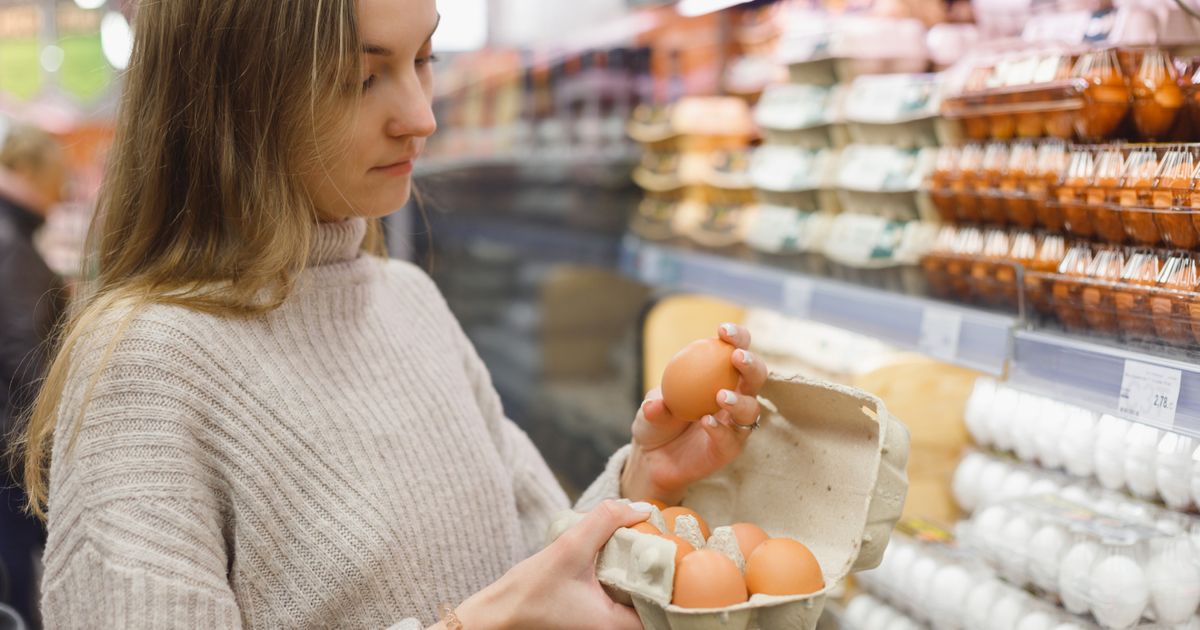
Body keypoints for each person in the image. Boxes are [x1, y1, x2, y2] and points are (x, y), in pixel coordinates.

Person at [17, 2, 770, 629]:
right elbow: (510, 608)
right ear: (233, 97)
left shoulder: (408, 299)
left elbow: (544, 559)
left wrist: (644, 480)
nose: (419, 117)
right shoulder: (147, 370)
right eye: (361, 77)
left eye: (425, 60)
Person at [0, 122, 67, 629]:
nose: (59, 193)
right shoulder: (11, 241)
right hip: (12, 451)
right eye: (55, 180)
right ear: (29, 173)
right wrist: (47, 448)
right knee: (19, 576)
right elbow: (26, 356)